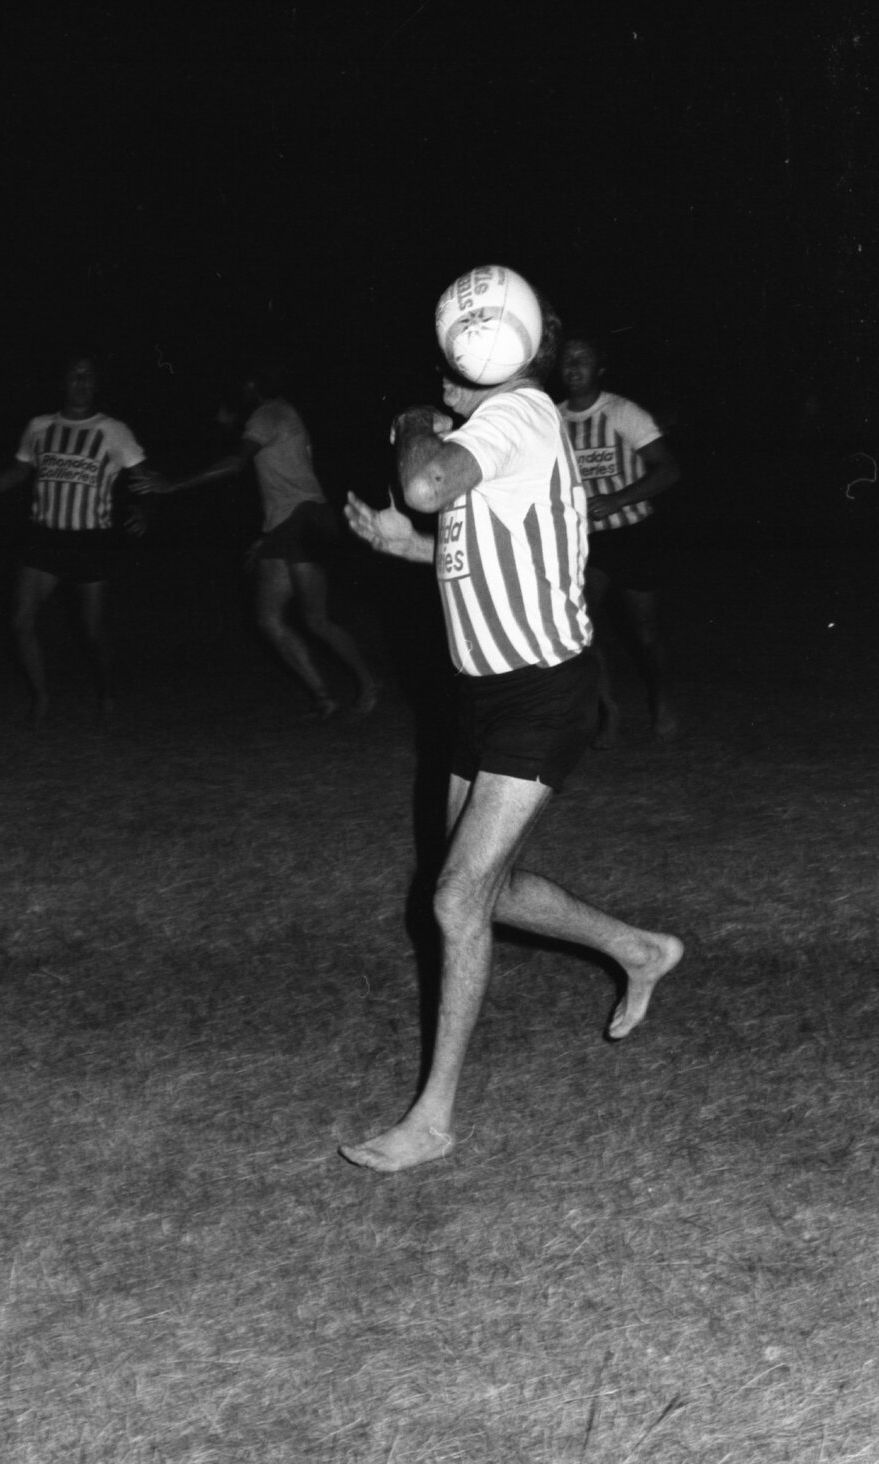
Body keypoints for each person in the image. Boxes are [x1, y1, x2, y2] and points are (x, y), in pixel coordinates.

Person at [339, 293, 683, 1173]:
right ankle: (639, 949)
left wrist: (414, 424)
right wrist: (402, 546)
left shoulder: (517, 414)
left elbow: (425, 482)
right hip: (486, 697)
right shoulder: (509, 434)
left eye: (445, 369)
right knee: (479, 883)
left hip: (540, 695)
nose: (437, 384)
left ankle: (433, 1122)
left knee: (456, 898)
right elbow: (478, 549)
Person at [133, 372, 377, 718]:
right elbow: (278, 477)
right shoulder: (275, 415)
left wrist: (172, 485)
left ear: (252, 387)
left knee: (316, 619)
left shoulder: (270, 414)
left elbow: (235, 463)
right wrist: (267, 537)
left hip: (306, 521)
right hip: (283, 526)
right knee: (267, 618)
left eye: (246, 385)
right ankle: (324, 697)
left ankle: (368, 683)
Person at [0, 356, 154, 725]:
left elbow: (142, 476)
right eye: (74, 376)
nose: (80, 382)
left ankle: (108, 693)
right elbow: (18, 471)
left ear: (96, 384)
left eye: (87, 376)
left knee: (92, 632)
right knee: (20, 620)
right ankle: (41, 697)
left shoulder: (113, 430)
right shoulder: (39, 426)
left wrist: (143, 508)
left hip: (90, 540)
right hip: (43, 537)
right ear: (63, 382)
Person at [558, 335, 680, 745]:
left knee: (645, 631)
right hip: (585, 543)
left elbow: (668, 470)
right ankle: (608, 711)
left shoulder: (622, 412)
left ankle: (662, 698)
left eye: (583, 359)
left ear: (600, 367)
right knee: (581, 631)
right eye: (567, 360)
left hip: (634, 533)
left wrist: (617, 499)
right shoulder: (551, 420)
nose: (574, 367)